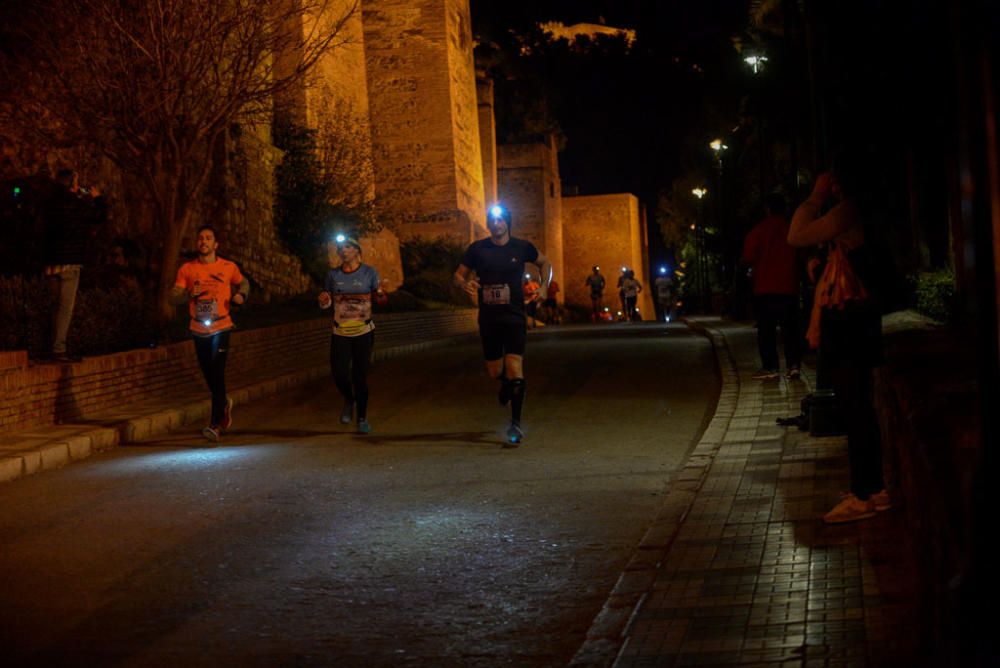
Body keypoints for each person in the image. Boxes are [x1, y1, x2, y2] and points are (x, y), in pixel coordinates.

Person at [788, 155, 888, 524]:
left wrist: (814, 198)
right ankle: (871, 487)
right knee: (858, 405)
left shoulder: (848, 211)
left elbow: (796, 235)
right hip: (858, 318)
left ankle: (865, 493)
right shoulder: (861, 212)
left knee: (854, 406)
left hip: (849, 321)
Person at [454, 205, 551, 446]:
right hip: (488, 318)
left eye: (500, 220)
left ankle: (515, 424)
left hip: (514, 316)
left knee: (515, 366)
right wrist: (463, 285)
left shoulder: (522, 247)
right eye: (492, 220)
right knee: (495, 372)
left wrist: (545, 287)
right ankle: (506, 385)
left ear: (507, 222)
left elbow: (545, 263)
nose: (496, 224)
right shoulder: (478, 249)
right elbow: (458, 275)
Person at [171, 225, 249, 443]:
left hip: (221, 326)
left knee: (217, 368)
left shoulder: (228, 267)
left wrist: (241, 295)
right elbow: (173, 297)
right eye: (200, 239)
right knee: (208, 372)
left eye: (208, 238)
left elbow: (243, 282)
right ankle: (223, 402)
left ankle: (215, 424)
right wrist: (188, 293)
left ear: (216, 245)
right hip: (198, 329)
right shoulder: (187, 269)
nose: (203, 241)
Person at [318, 235, 388, 434]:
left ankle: (362, 418)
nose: (343, 250)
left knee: (360, 377)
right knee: (339, 373)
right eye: (341, 248)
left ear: (357, 251)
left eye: (348, 247)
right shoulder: (332, 275)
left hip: (363, 332)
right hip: (340, 332)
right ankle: (349, 399)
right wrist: (323, 300)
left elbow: (381, 300)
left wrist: (382, 294)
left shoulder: (369, 273)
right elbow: (326, 302)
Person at [41, 168, 107, 362]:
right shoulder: (76, 204)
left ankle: (49, 346)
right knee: (65, 308)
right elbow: (99, 216)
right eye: (76, 182)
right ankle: (59, 349)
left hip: (50, 262)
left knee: (53, 306)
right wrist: (97, 198)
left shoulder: (49, 203)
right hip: (70, 262)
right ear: (71, 185)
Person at [742, 192, 802, 380]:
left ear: (767, 209)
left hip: (765, 286)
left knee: (766, 329)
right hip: (788, 284)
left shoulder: (758, 231)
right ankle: (793, 365)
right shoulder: (791, 228)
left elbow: (749, 256)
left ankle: (771, 367)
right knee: (790, 328)